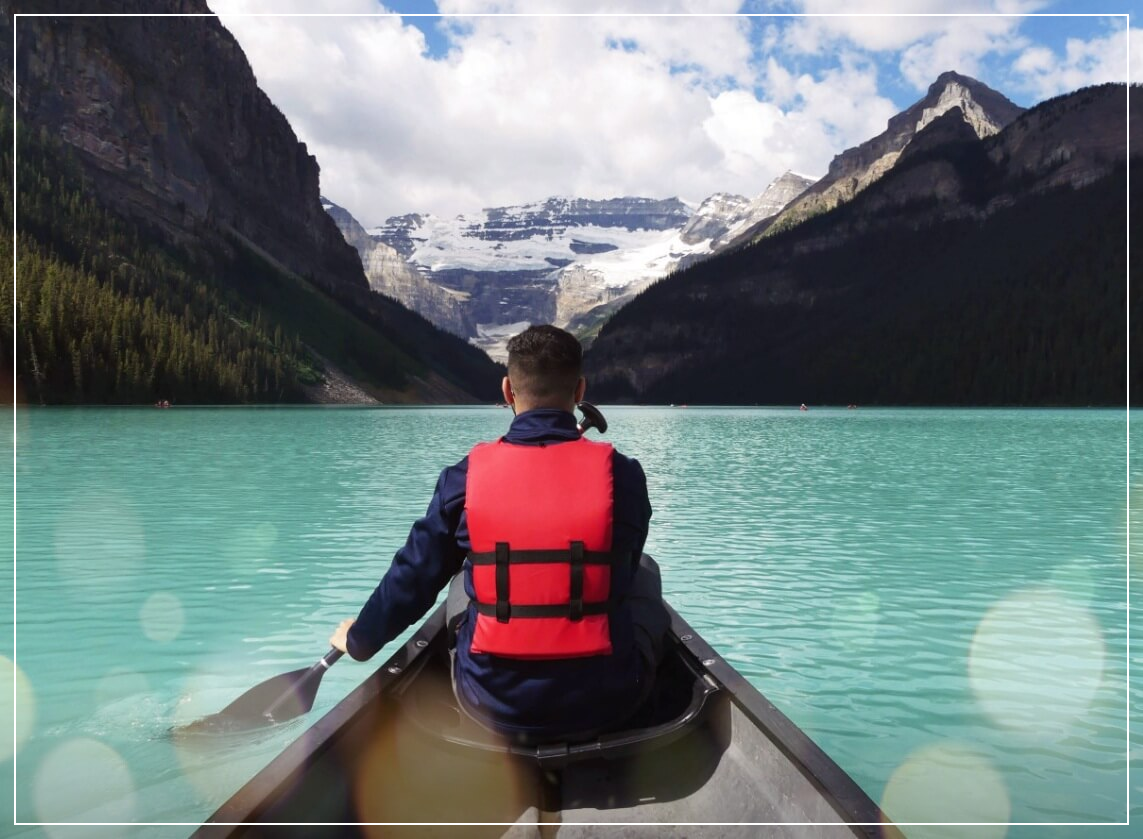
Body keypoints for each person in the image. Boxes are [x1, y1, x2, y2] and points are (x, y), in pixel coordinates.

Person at [330, 324, 668, 741]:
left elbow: (414, 574)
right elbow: (626, 560)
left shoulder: (464, 479)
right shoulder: (625, 476)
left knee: (462, 579)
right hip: (607, 703)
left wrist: (361, 638)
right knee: (644, 574)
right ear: (580, 391)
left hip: (489, 704)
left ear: (508, 391)